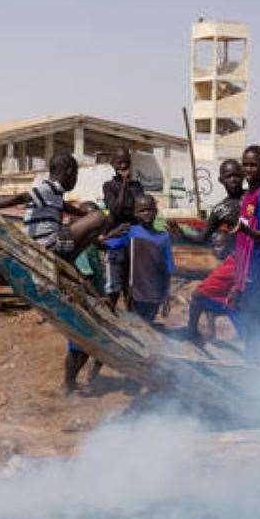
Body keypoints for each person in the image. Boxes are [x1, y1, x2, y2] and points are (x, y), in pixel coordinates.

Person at [0, 152, 109, 261]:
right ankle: (69, 258)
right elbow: (23, 197)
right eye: (75, 176)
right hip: (48, 243)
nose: (75, 180)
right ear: (69, 172)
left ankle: (70, 258)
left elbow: (68, 208)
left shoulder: (55, 195)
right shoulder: (47, 188)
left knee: (82, 221)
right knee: (100, 217)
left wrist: (84, 216)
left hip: (50, 242)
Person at [168, 158, 260, 245]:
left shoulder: (256, 194)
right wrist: (183, 235)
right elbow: (203, 238)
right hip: (241, 257)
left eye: (236, 176)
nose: (233, 180)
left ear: (243, 176)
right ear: (221, 180)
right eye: (229, 176)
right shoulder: (220, 210)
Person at [230, 145, 260, 359]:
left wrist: (246, 230)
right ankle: (257, 361)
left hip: (256, 269)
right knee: (247, 317)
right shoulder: (247, 194)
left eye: (254, 165)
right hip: (244, 266)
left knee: (252, 317)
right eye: (246, 164)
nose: (249, 169)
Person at [102, 194, 175, 322]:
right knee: (137, 323)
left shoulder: (164, 237)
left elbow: (168, 270)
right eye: (142, 210)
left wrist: (166, 296)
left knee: (148, 324)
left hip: (156, 294)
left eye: (150, 210)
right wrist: (112, 233)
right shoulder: (130, 232)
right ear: (135, 214)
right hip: (136, 294)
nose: (146, 213)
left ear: (156, 212)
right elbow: (105, 244)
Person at [63, 202, 107, 394]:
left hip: (92, 301)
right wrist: (98, 298)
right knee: (78, 348)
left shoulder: (91, 244)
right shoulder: (81, 247)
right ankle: (69, 384)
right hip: (84, 303)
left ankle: (74, 383)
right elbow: (84, 277)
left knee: (85, 347)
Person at [102, 148, 145, 306]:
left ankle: (131, 315)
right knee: (113, 284)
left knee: (131, 282)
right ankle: (111, 312)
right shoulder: (109, 186)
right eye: (120, 162)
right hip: (116, 237)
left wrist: (130, 185)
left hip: (134, 237)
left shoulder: (137, 186)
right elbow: (115, 209)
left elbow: (140, 209)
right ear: (113, 164)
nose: (124, 165)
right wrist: (124, 184)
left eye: (126, 162)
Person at [186, 231, 240, 343]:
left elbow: (200, 291)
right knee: (210, 297)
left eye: (219, 246)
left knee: (198, 297)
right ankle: (211, 332)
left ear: (230, 245)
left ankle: (191, 332)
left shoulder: (232, 264)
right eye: (214, 246)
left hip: (236, 306)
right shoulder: (236, 258)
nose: (215, 249)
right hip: (240, 302)